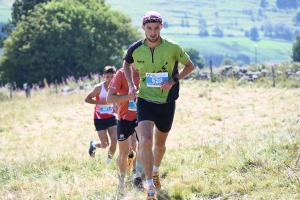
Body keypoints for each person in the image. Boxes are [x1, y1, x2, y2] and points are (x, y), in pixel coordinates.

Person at [123, 11, 195, 199]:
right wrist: (131, 84)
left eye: (156, 28)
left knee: (160, 145)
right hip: (145, 99)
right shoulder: (135, 48)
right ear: (143, 28)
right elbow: (126, 64)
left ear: (161, 27)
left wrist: (173, 80)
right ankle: (149, 185)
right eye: (149, 28)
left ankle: (155, 171)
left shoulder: (172, 47)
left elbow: (190, 66)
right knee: (145, 141)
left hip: (167, 101)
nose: (153, 32)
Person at [106, 63, 144, 189]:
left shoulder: (148, 70)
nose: (139, 62)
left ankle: (137, 176)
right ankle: (121, 181)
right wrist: (129, 96)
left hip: (143, 116)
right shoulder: (121, 74)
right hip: (125, 117)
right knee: (123, 153)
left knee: (143, 145)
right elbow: (109, 98)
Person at [85, 66, 118, 164]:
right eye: (108, 77)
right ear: (104, 76)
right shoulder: (99, 87)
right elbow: (87, 99)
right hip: (99, 118)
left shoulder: (117, 87)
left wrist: (116, 106)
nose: (110, 79)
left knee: (115, 141)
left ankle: (108, 162)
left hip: (111, 117)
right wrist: (100, 102)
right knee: (105, 144)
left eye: (112, 77)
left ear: (115, 76)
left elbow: (118, 98)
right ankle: (94, 144)